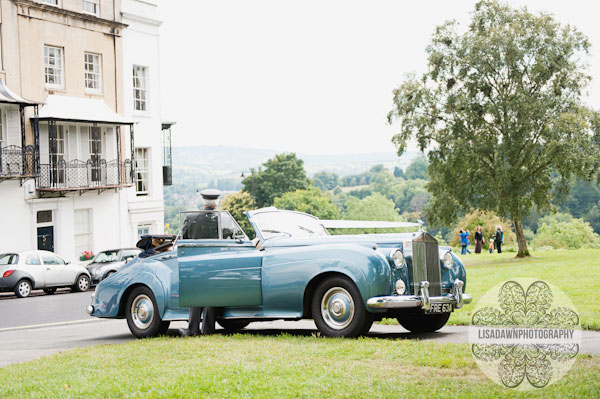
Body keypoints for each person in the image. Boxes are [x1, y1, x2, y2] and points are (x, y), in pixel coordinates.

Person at [179, 189, 222, 337]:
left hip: (194, 264)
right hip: (215, 264)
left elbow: (181, 238)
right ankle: (208, 330)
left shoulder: (191, 218)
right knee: (211, 295)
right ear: (216, 203)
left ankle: (193, 329)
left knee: (195, 295)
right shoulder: (223, 220)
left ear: (203, 203)